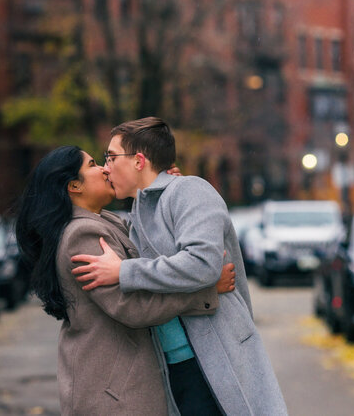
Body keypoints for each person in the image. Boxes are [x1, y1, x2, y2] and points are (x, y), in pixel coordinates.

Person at [71, 117, 288, 416]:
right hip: (173, 366)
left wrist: (124, 271)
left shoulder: (190, 191)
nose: (106, 167)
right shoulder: (138, 215)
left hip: (216, 356)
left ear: (138, 161)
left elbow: (202, 264)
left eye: (111, 156)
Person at [14, 145, 236, 415]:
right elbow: (132, 307)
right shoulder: (81, 234)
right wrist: (206, 292)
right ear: (74, 186)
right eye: (94, 164)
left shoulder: (103, 222)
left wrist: (164, 189)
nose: (105, 169)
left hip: (117, 386)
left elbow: (148, 252)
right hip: (114, 394)